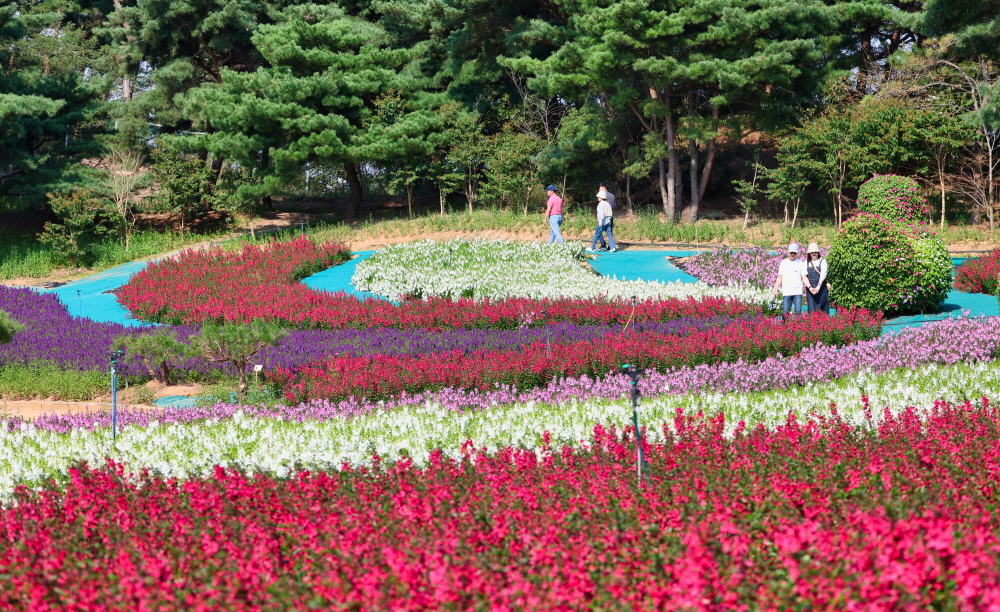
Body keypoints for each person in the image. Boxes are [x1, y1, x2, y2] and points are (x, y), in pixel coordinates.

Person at [772, 242, 807, 319]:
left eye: (794, 253)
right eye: (791, 252)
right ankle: (785, 328)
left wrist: (810, 287)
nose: (793, 254)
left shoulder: (800, 263)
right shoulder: (783, 263)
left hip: (797, 291)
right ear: (788, 252)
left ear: (797, 253)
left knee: (798, 311)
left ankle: (799, 328)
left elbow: (804, 277)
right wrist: (776, 289)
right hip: (787, 292)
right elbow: (779, 277)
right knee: (785, 312)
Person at [804, 242, 829, 314]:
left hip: (821, 288)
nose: (813, 253)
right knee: (812, 310)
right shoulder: (806, 262)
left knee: (822, 309)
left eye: (815, 252)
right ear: (809, 253)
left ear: (818, 252)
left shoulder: (822, 261)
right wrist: (810, 287)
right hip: (810, 289)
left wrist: (818, 286)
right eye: (812, 252)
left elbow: (823, 274)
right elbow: (804, 276)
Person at [597, 182, 616, 249]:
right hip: (610, 217)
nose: (599, 188)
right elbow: (613, 208)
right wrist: (612, 221)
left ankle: (603, 244)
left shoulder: (602, 196)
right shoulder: (612, 196)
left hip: (603, 217)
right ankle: (611, 246)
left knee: (598, 231)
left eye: (600, 187)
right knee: (609, 233)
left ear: (604, 187)